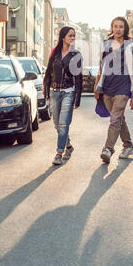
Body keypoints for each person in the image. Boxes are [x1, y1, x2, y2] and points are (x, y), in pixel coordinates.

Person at [94, 16, 133, 163]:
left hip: (123, 88)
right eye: (115, 26)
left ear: (125, 29)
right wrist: (97, 85)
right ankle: (128, 145)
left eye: (121, 26)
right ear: (112, 28)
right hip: (107, 88)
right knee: (118, 119)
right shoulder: (105, 45)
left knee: (115, 119)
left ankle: (108, 149)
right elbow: (101, 66)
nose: (118, 29)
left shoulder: (131, 47)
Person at [44, 26, 83, 165]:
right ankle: (69, 146)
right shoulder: (54, 53)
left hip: (68, 92)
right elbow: (48, 72)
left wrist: (77, 99)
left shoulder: (76, 55)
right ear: (63, 37)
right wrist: (46, 91)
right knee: (56, 124)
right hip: (55, 92)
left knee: (63, 123)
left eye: (74, 36)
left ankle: (59, 153)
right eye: (70, 35)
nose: (72, 38)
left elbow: (78, 78)